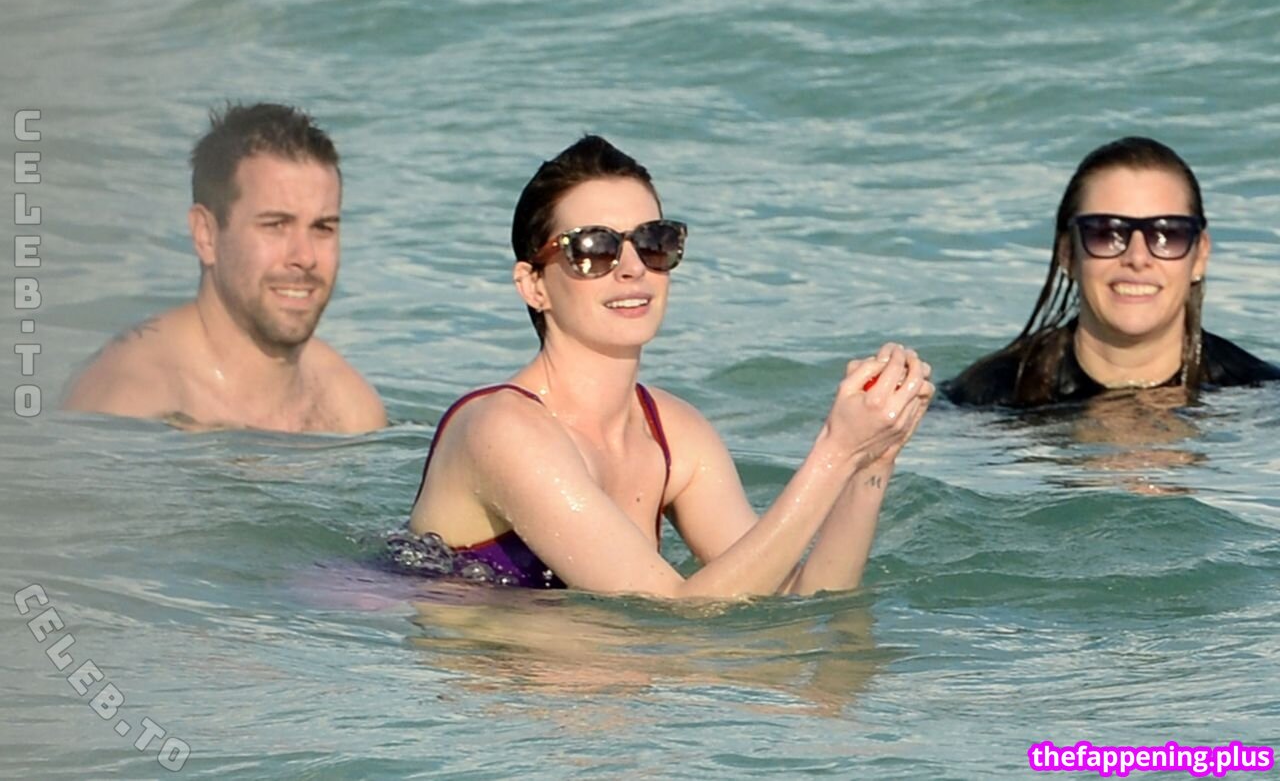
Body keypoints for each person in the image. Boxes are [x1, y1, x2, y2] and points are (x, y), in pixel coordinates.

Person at [401, 134, 933, 597]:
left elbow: (796, 599)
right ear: (533, 284)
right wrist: (834, 452)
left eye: (653, 242)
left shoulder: (675, 432)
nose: (632, 268)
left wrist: (871, 459)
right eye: (594, 249)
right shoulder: (502, 429)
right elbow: (673, 612)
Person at [63, 102, 387, 433]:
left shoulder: (351, 410)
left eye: (322, 228)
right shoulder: (126, 405)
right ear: (206, 234)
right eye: (275, 225)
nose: (305, 257)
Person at [943, 136, 1280, 408]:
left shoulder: (1259, 394)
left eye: (1167, 233)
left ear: (1200, 254)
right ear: (1068, 254)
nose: (1137, 257)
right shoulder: (985, 398)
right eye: (1106, 233)